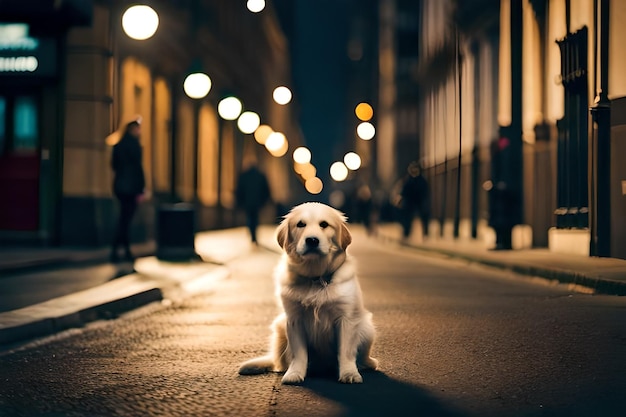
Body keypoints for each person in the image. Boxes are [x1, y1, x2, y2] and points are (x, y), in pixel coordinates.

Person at [110, 119, 145, 262]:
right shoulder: (135, 146)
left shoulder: (118, 145)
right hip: (131, 188)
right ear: (132, 130)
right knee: (126, 219)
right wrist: (141, 188)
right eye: (137, 129)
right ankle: (121, 250)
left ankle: (121, 250)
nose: (139, 132)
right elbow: (138, 169)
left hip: (120, 186)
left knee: (124, 218)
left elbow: (113, 165)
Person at [236, 160, 271, 244]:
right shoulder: (260, 176)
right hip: (257, 202)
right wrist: (264, 201)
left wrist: (240, 202)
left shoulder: (244, 176)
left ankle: (252, 233)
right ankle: (253, 235)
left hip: (248, 202)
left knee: (250, 217)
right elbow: (266, 190)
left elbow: (239, 190)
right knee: (254, 218)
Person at [399, 161, 430, 240]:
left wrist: (424, 200)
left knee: (424, 215)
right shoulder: (408, 180)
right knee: (407, 217)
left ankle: (425, 233)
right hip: (410, 202)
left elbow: (425, 191)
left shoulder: (421, 180)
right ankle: (406, 233)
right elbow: (404, 191)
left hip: (420, 200)